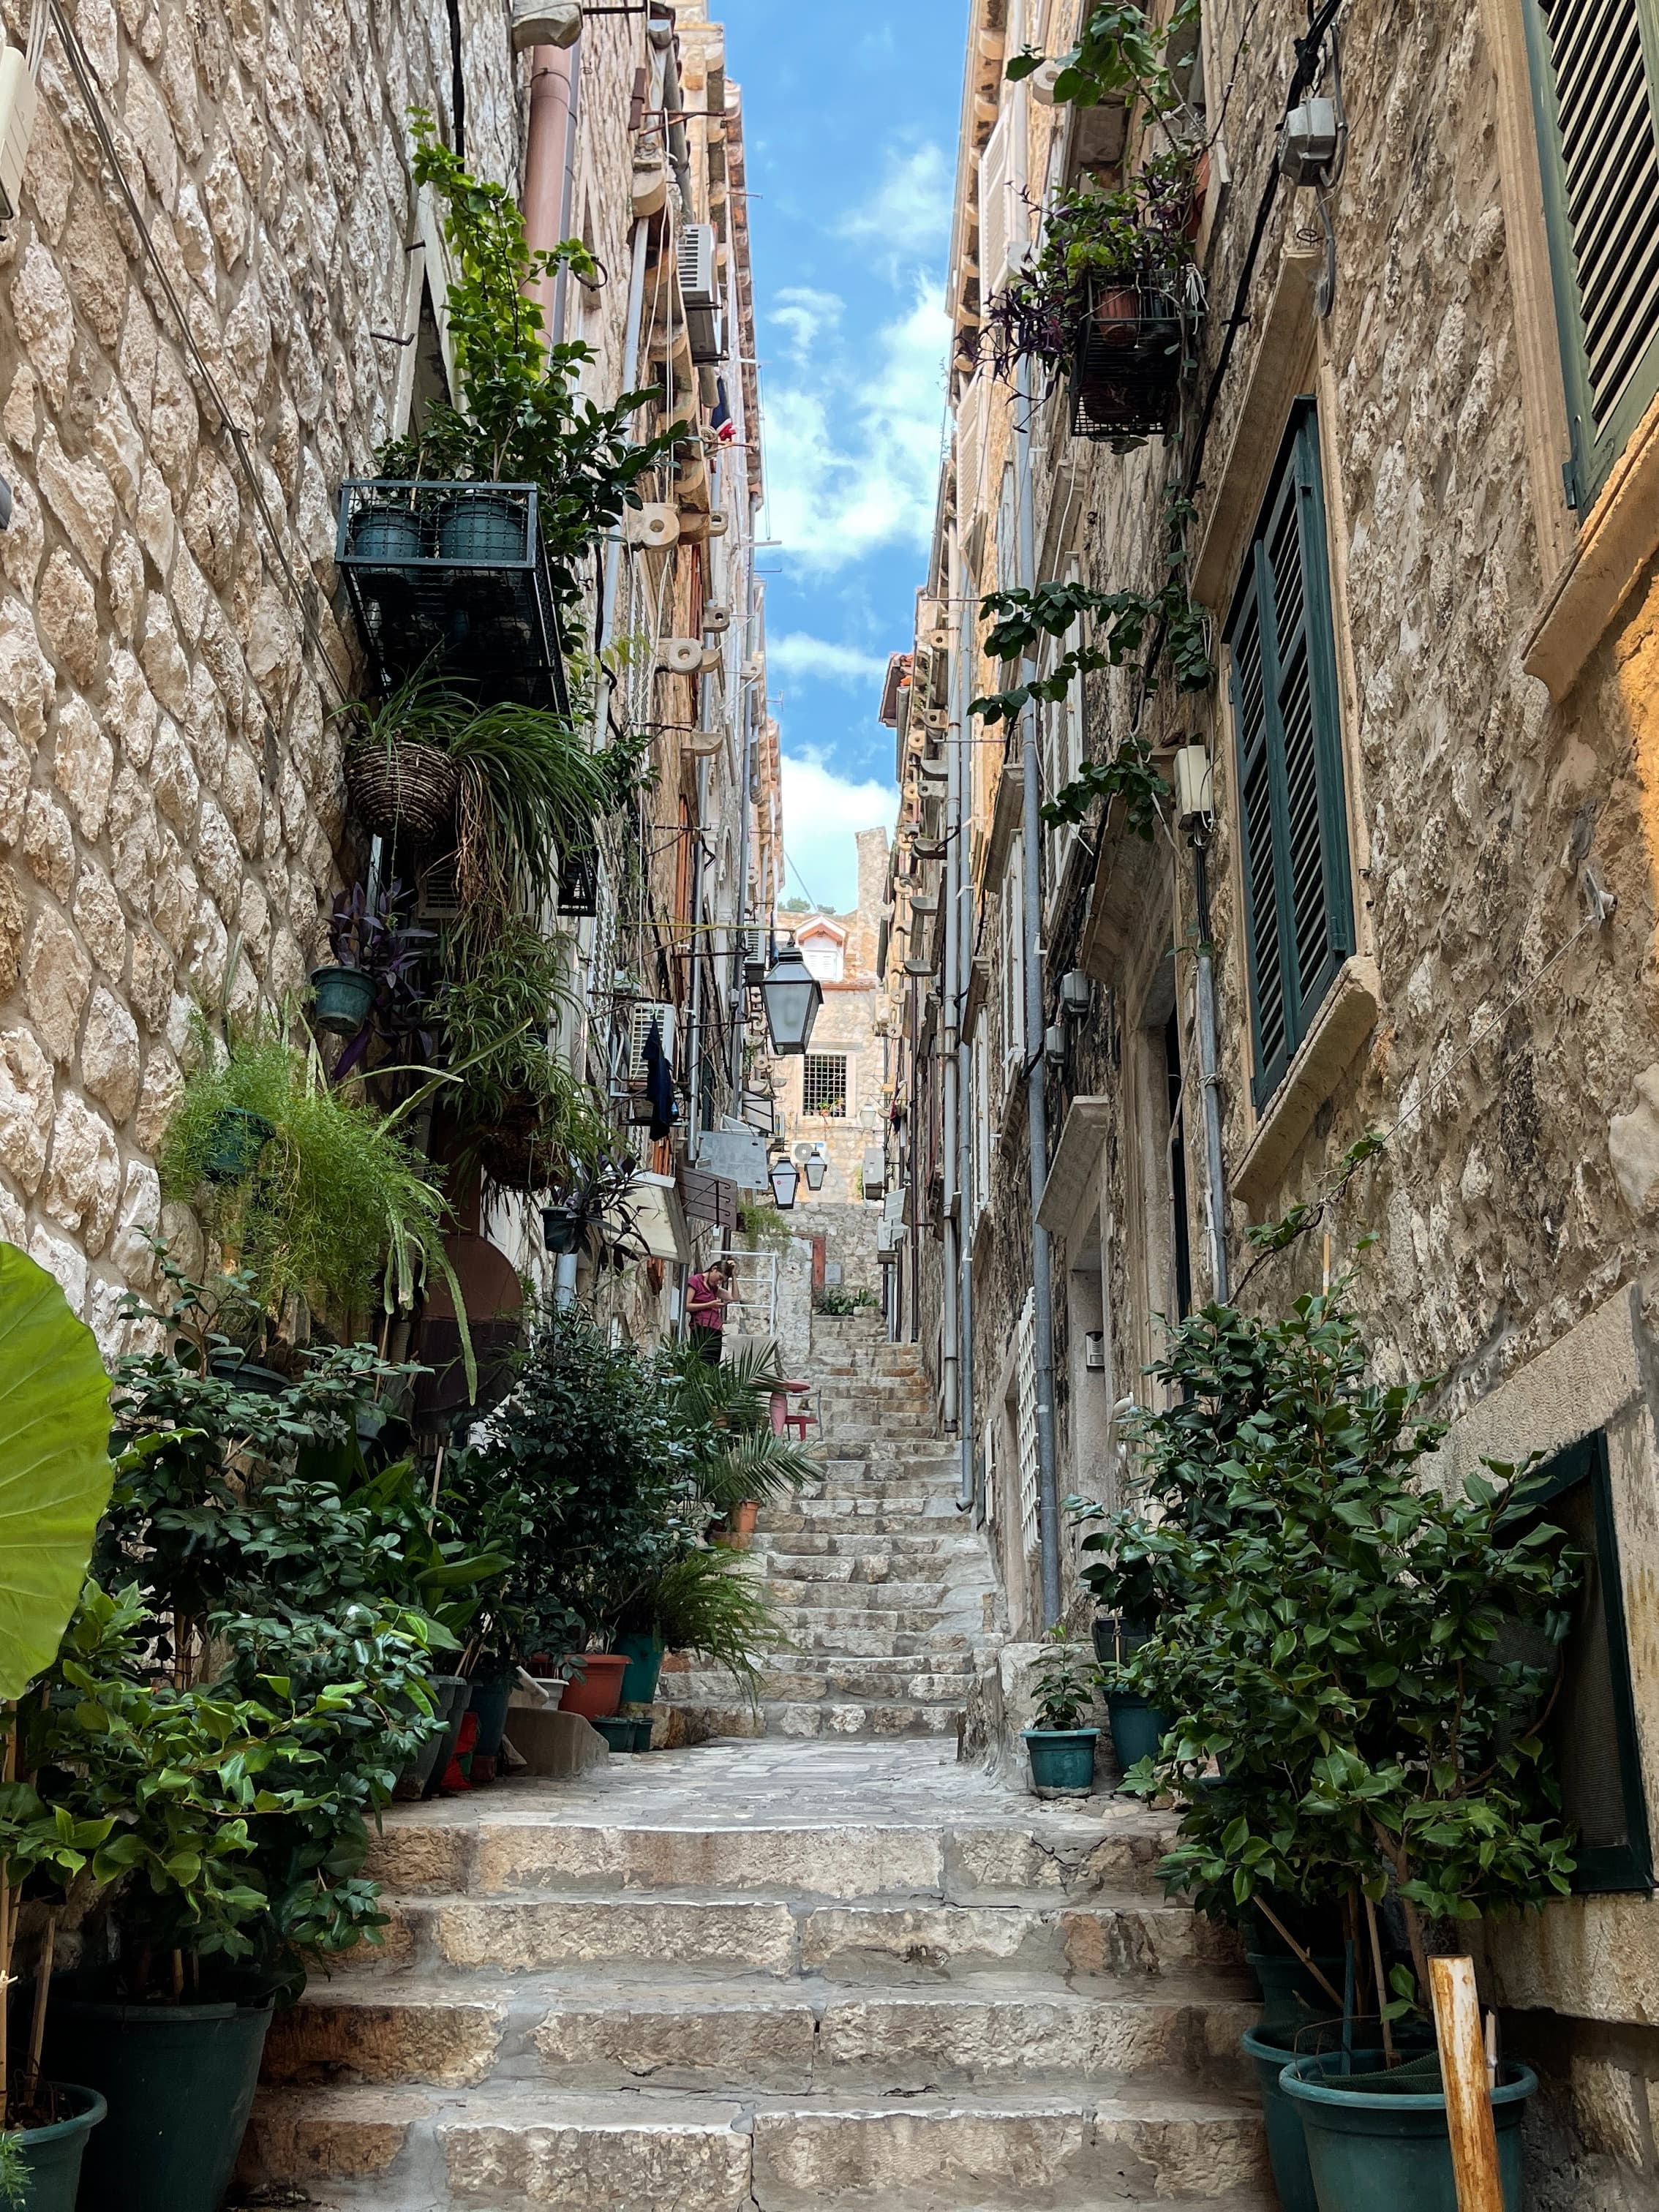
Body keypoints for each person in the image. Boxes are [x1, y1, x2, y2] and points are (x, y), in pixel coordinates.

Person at [686, 1258, 736, 1363]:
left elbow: (734, 1297)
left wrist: (734, 1275)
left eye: (722, 1281)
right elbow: (686, 1306)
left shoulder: (714, 1288)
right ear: (714, 1269)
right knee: (700, 1363)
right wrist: (710, 1305)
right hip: (701, 1327)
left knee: (712, 1365)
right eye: (719, 1278)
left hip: (716, 1329)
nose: (719, 1282)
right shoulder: (696, 1280)